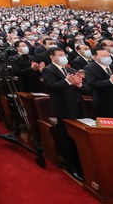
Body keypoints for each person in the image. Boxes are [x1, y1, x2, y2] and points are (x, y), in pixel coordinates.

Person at [42, 48, 91, 181]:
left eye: (64, 54)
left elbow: (86, 89)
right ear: (53, 57)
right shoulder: (49, 70)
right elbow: (51, 87)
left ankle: (82, 164)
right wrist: (68, 81)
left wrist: (80, 84)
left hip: (78, 107)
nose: (64, 57)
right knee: (67, 138)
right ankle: (71, 165)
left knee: (79, 136)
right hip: (63, 108)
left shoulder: (70, 69)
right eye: (60, 55)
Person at [84, 48, 113, 119]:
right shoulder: (90, 68)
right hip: (106, 103)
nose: (107, 57)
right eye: (103, 56)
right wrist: (110, 81)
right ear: (94, 57)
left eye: (108, 55)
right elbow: (93, 84)